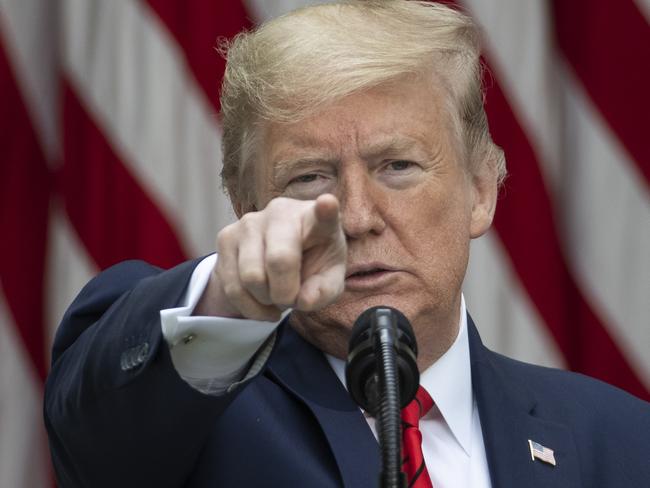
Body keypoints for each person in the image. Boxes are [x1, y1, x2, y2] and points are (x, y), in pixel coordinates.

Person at [44, 1, 650, 487]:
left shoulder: (622, 442)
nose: (357, 219)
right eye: (309, 178)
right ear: (247, 210)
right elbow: (96, 438)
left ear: (480, 191)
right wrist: (229, 296)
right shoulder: (191, 416)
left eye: (399, 166)